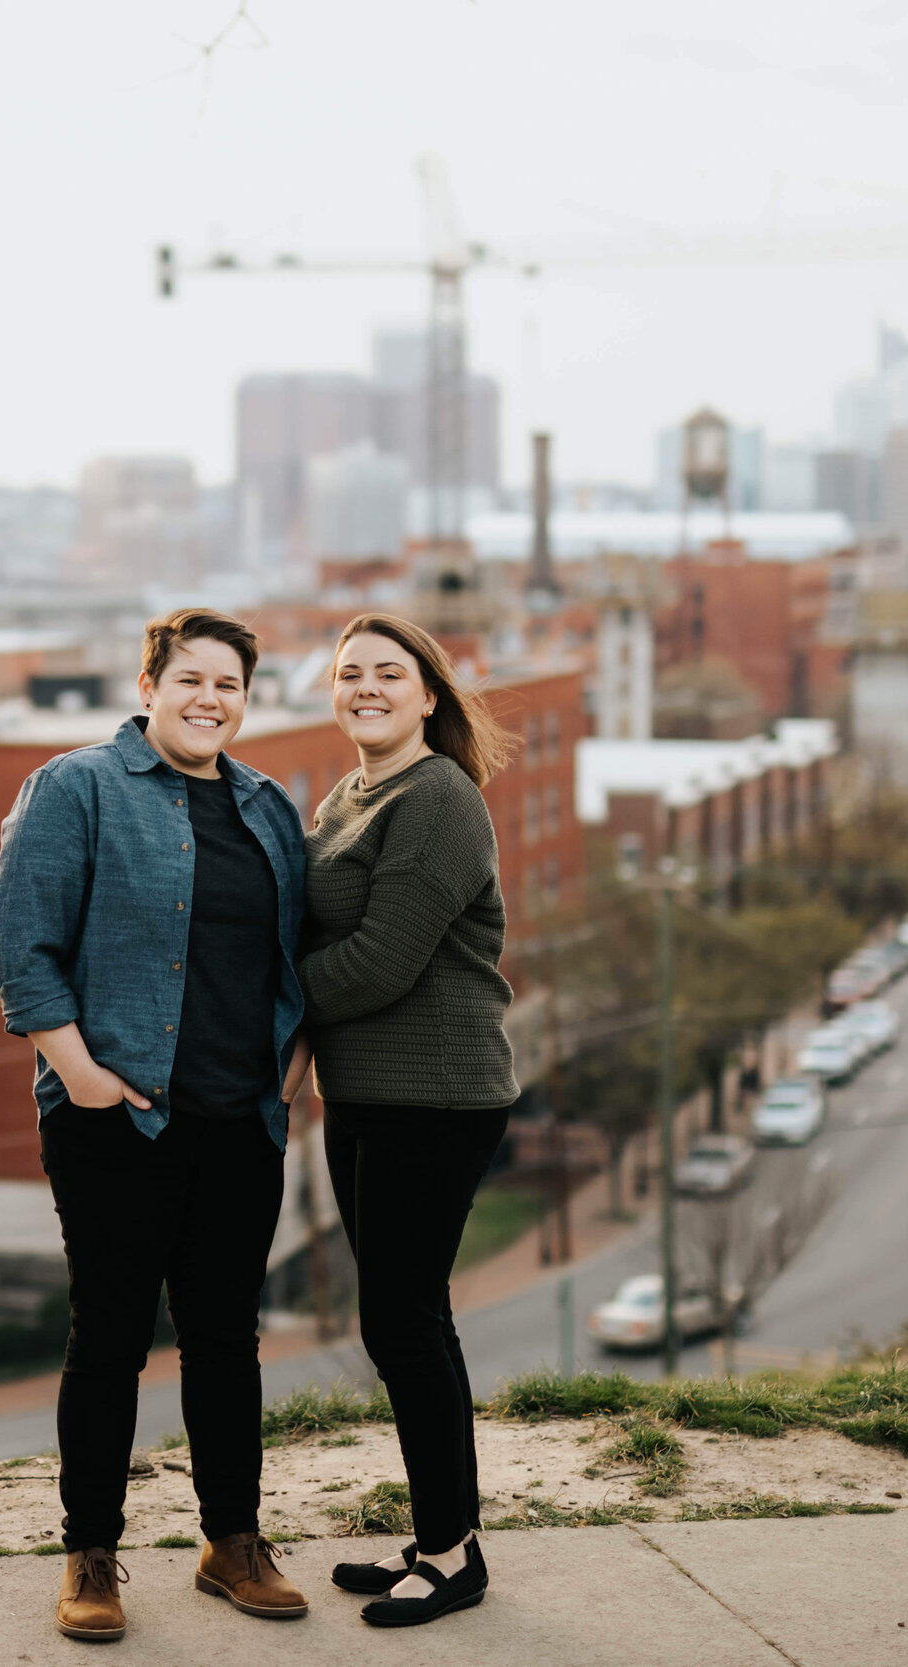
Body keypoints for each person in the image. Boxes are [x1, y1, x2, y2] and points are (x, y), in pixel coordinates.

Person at [0, 607, 314, 1643]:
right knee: (111, 1337)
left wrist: (289, 1070)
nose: (209, 698)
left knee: (225, 1339)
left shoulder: (266, 808)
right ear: (150, 684)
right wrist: (77, 1073)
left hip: (239, 1116)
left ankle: (232, 1541)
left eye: (229, 684)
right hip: (114, 1118)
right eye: (191, 679)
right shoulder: (75, 786)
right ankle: (91, 1553)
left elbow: (290, 963)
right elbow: (18, 945)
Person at [298, 612, 518, 1629]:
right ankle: (441, 1535)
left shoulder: (437, 797)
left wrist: (258, 1012)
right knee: (399, 1317)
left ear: (429, 693)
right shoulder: (351, 793)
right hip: (367, 1094)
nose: (366, 687)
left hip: (435, 1095)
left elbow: (381, 962)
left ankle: (451, 1553)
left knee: (404, 1318)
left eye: (390, 672)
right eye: (350, 674)